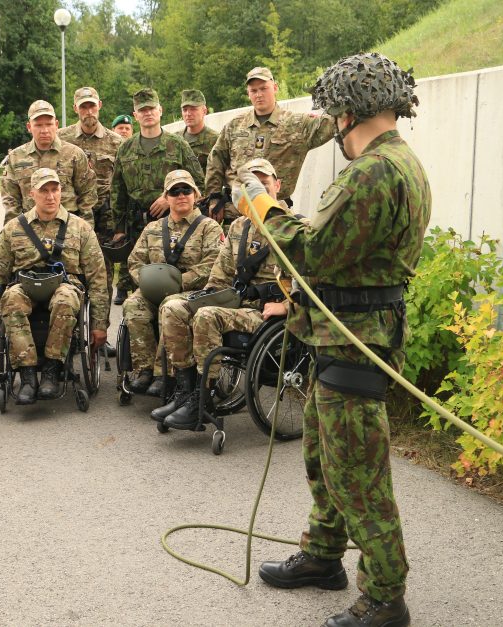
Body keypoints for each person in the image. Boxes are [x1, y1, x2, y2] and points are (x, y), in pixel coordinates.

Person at [241, 53, 430, 627]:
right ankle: (324, 556)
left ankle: (385, 596)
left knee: (358, 471)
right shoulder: (401, 163)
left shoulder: (374, 171)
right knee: (324, 451)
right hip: (343, 337)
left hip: (357, 342)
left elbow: (313, 251)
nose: (335, 130)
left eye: (336, 117)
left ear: (351, 113)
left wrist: (261, 207)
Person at [153, 158, 288, 428]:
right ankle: (185, 390)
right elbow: (220, 273)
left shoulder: (291, 226)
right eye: (252, 187)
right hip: (235, 302)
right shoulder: (239, 226)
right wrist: (207, 294)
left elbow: (309, 278)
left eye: (264, 185)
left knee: (206, 315)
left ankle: (205, 397)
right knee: (174, 308)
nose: (257, 193)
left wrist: (286, 305)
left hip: (267, 312)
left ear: (277, 186)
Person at [0, 168, 108, 405]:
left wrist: (99, 324)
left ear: (61, 192)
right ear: (32, 193)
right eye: (44, 191)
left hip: (66, 285)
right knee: (11, 298)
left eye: (55, 190)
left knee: (66, 299)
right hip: (25, 284)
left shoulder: (80, 227)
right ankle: (28, 375)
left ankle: (53, 369)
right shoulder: (13, 228)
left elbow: (98, 278)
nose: (50, 196)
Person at [122, 169, 222, 395]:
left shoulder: (209, 227)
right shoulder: (153, 229)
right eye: (174, 191)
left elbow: (212, 264)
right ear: (166, 197)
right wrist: (147, 283)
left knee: (169, 306)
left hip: (191, 291)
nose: (181, 195)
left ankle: (163, 374)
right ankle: (144, 369)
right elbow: (135, 261)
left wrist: (178, 283)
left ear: (196, 194)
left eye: (186, 190)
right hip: (153, 288)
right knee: (132, 304)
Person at [205, 66, 334, 224]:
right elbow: (216, 159)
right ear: (248, 93)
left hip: (275, 215)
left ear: (275, 88)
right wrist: (214, 197)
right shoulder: (235, 125)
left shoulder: (297, 124)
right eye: (254, 90)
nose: (259, 95)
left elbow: (334, 124)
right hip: (236, 212)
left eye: (264, 88)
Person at [111, 88, 204, 306]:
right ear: (136, 115)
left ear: (160, 110)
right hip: (137, 226)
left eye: (151, 108)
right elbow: (117, 190)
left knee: (174, 281)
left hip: (175, 225)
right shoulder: (126, 148)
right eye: (142, 110)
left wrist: (168, 198)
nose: (148, 113)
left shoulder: (178, 144)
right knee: (141, 286)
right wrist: (118, 229)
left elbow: (200, 183)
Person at [58, 86, 125, 354]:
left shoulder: (115, 142)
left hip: (105, 219)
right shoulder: (61, 139)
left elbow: (122, 187)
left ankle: (100, 334)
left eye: (92, 106)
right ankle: (72, 335)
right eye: (83, 106)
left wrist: (120, 226)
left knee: (103, 278)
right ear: (75, 108)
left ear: (100, 105)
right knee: (71, 275)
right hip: (71, 218)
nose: (88, 111)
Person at [1, 100, 97, 226]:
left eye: (49, 124)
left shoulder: (74, 154)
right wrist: (14, 232)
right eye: (38, 125)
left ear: (56, 125)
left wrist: (85, 230)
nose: (44, 130)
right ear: (29, 127)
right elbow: (11, 199)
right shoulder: (16, 157)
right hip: (30, 230)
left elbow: (87, 196)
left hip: (68, 229)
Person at [179, 90, 219, 175]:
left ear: (204, 111)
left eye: (193, 109)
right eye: (185, 110)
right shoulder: (175, 140)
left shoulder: (216, 140)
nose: (188, 114)